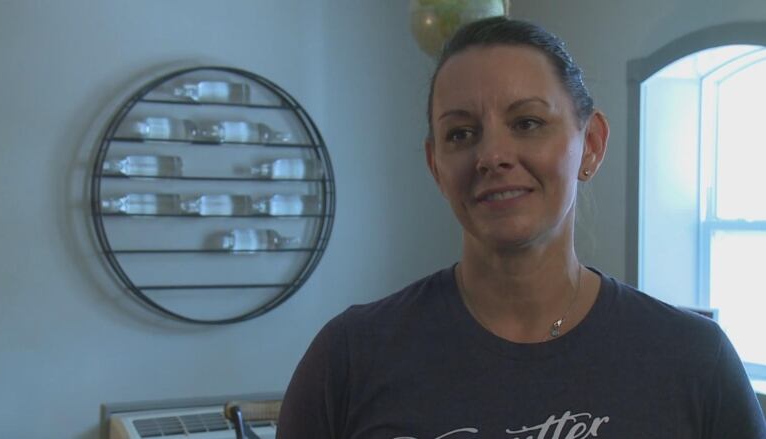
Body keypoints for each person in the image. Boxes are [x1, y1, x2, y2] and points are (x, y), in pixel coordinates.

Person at [277, 16, 766, 438]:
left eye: (528, 122)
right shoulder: (350, 358)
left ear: (591, 144)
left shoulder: (694, 363)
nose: (492, 156)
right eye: (461, 133)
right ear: (436, 166)